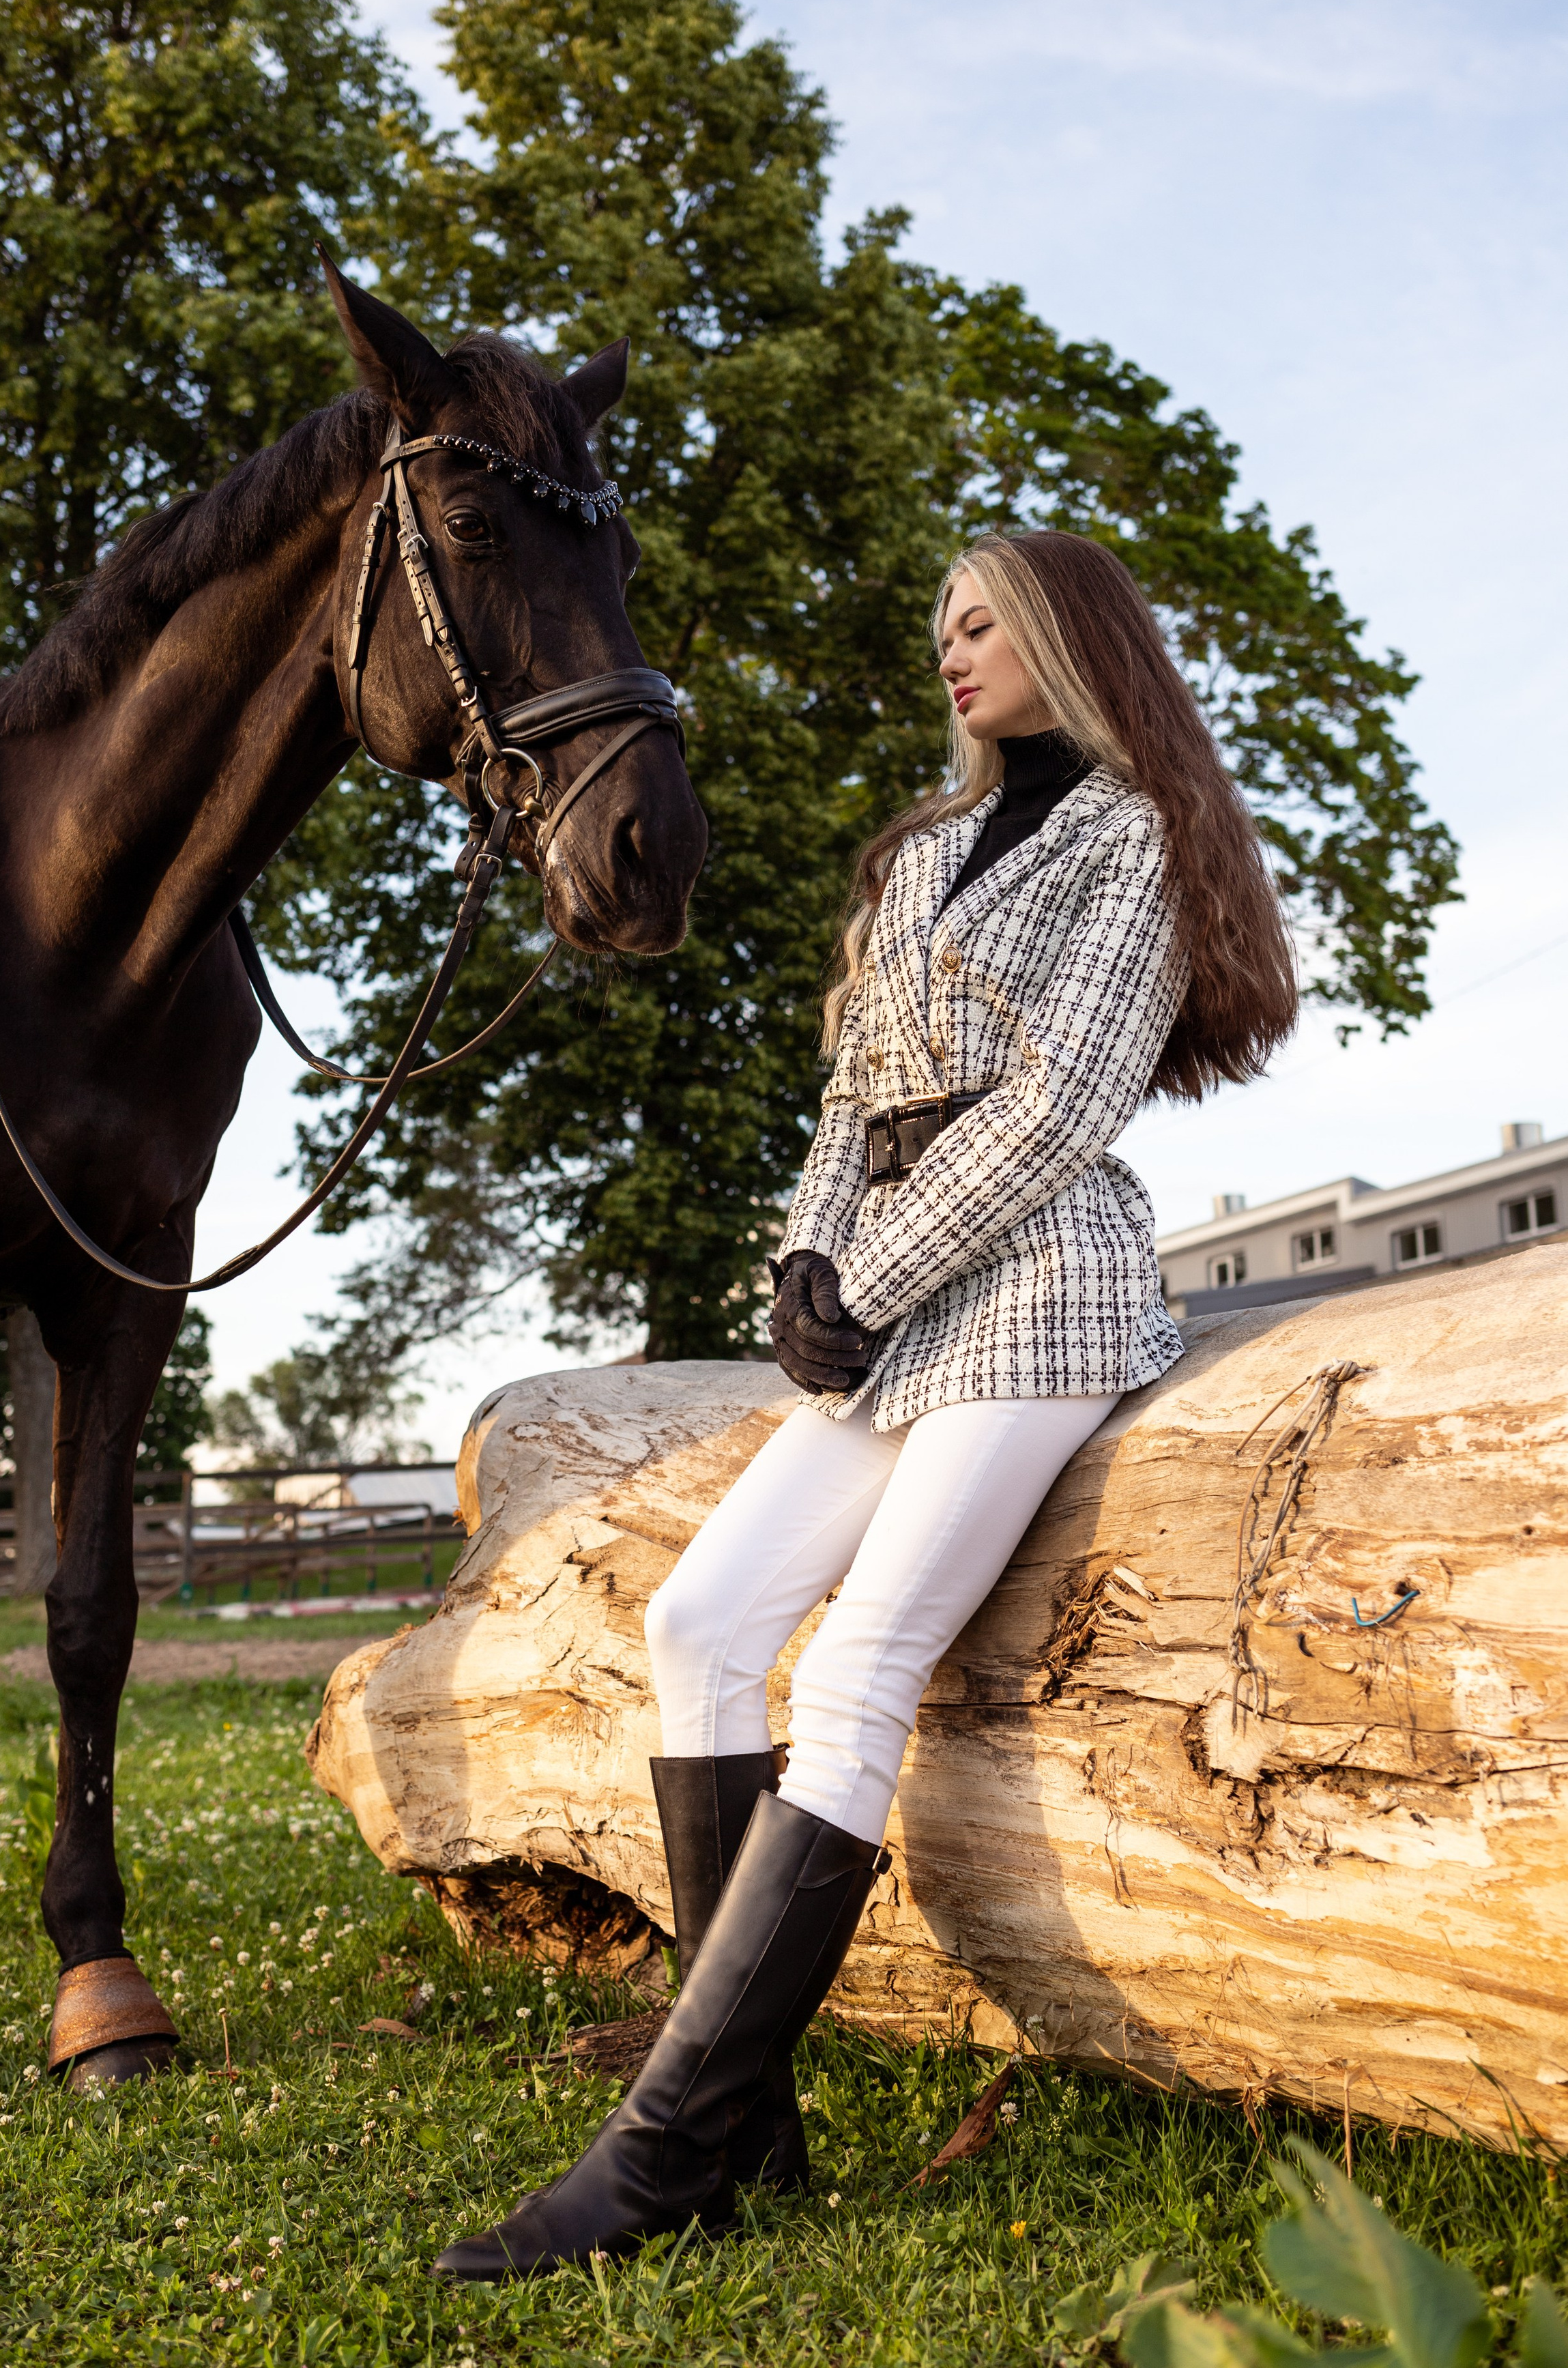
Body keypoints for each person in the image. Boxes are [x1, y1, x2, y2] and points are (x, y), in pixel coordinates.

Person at [433, 529, 1298, 2281]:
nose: (952, 649)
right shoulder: (917, 850)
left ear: (1069, 636)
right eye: (941, 627)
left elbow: (1057, 1111)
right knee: (698, 1619)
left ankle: (661, 2149)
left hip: (1040, 1291)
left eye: (981, 620)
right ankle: (750, 2130)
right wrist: (802, 1272)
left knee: (855, 1666)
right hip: (888, 1293)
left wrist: (875, 1275)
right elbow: (848, 1104)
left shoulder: (1133, 840)